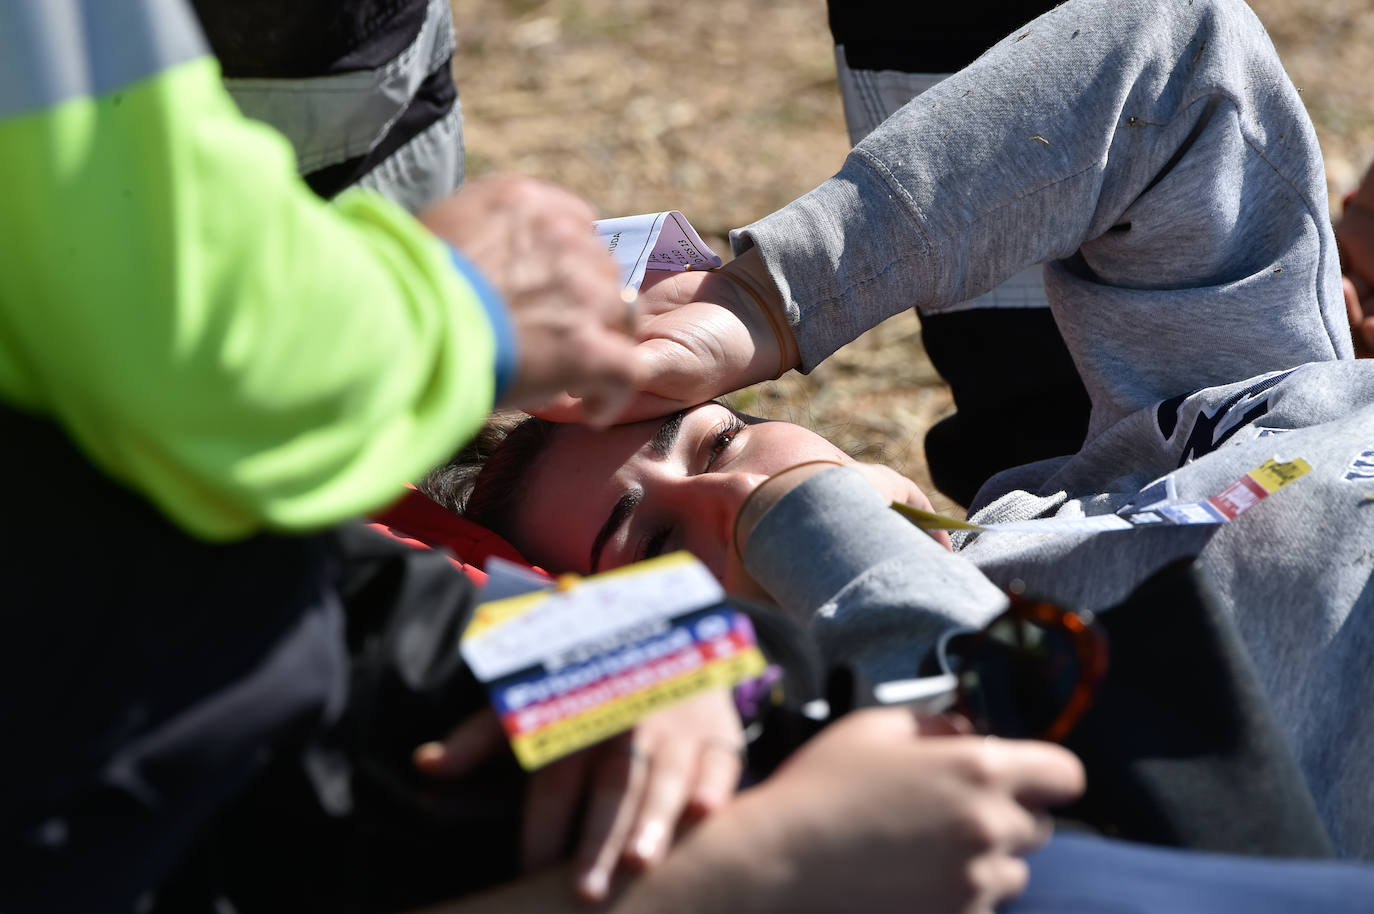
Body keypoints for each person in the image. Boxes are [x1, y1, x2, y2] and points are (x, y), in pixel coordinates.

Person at [448, 0, 1374, 860]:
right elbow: (1007, 769)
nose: (737, 497)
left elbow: (1174, 58)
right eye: (655, 549)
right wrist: (817, 530)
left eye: (721, 442)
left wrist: (759, 303)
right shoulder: (961, 767)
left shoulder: (1149, 449)